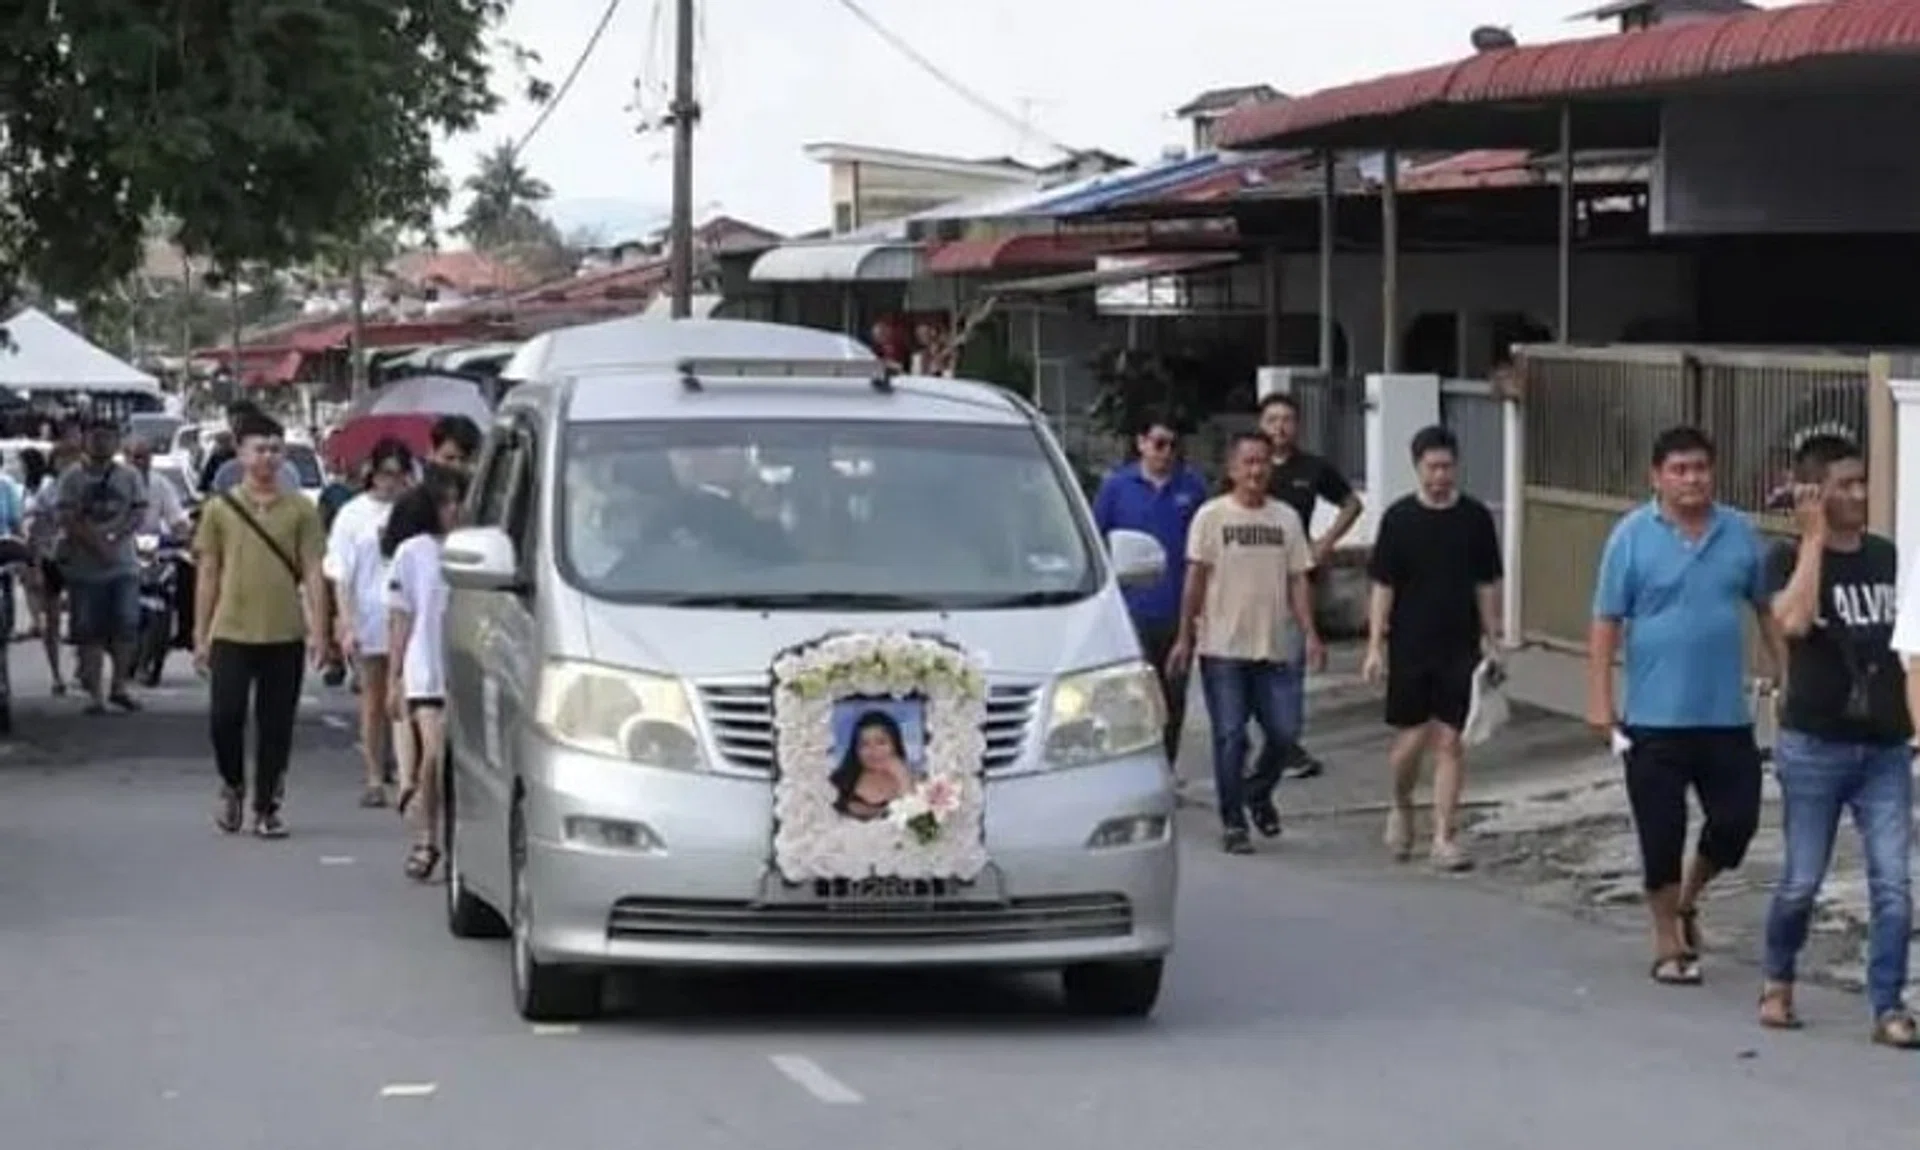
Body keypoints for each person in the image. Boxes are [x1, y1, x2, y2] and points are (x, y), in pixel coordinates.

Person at [1587, 425, 1780, 985]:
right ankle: (1667, 941)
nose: (1692, 479)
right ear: (1657, 476)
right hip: (1653, 720)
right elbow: (1605, 623)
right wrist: (1600, 701)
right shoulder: (1630, 537)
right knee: (1660, 833)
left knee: (1737, 822)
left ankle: (1690, 897)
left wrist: (1785, 675)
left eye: (1700, 468)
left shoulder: (1740, 534)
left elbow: (1768, 611)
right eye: (1679, 470)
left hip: (1725, 717)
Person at [1765, 435, 1916, 1045]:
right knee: (1803, 879)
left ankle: (1888, 1004)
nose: (1858, 495)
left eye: (1862, 482)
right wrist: (1813, 540)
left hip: (1884, 745)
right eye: (1844, 485)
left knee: (1894, 884)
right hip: (1815, 743)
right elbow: (1794, 622)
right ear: (1815, 491)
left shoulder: (1887, 556)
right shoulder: (1787, 557)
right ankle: (1778, 978)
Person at [1168, 431, 1324, 854]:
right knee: (1231, 736)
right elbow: (1195, 580)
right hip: (1223, 647)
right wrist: (1185, 635)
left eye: (1263, 462)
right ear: (1233, 469)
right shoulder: (1211, 517)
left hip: (1274, 646)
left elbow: (1298, 580)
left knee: (1283, 733)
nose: (1256, 470)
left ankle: (1257, 792)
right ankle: (1233, 821)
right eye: (1248, 462)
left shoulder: (1286, 519)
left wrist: (1310, 632)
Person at [1362, 425, 1503, 873]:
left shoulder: (1475, 518)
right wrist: (1374, 645)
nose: (1441, 475)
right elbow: (1382, 585)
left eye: (1447, 466)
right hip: (1410, 643)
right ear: (1417, 467)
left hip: (1460, 644)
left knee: (1450, 741)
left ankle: (1444, 835)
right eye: (1432, 467)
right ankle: (1402, 802)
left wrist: (1493, 638)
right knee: (1410, 742)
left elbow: (1486, 582)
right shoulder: (1399, 519)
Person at [193, 411, 328, 838]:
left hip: (284, 632)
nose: (267, 458)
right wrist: (200, 634)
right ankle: (232, 783)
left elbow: (313, 571)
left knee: (276, 725)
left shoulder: (301, 510)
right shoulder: (220, 509)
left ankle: (267, 805)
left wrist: (320, 631)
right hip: (231, 630)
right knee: (224, 717)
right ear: (241, 453)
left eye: (275, 449)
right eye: (259, 449)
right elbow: (208, 574)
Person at [1090, 411, 1209, 772]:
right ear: (1141, 444)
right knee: (1132, 699)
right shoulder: (1117, 487)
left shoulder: (1192, 487)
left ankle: (1165, 770)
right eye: (1158, 444)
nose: (1165, 453)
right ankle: (1130, 771)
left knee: (1173, 699)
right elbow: (1097, 543)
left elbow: (1202, 553)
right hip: (1130, 613)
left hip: (1177, 613)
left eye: (1172, 446)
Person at [1258, 392, 1365, 779]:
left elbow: (1352, 504)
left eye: (1286, 419)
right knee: (1255, 663)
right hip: (1252, 578)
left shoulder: (1312, 467)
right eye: (1272, 419)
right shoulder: (1250, 466)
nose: (1279, 427)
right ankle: (1267, 739)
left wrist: (1325, 542)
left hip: (1296, 577)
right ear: (1261, 424)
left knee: (1290, 663)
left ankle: (1287, 745)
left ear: (1297, 425)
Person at [384, 466, 466, 879]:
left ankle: (443, 830)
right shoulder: (412, 552)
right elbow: (401, 618)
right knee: (434, 751)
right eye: (446, 502)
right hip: (426, 667)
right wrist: (394, 677)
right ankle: (426, 838)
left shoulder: (472, 549)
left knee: (452, 760)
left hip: (464, 668)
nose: (454, 510)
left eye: (458, 501)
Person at [330, 439, 415, 808]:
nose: (390, 483)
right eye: (385, 474)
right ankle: (374, 776)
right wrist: (345, 623)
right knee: (374, 699)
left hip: (409, 617)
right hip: (369, 615)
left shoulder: (415, 512)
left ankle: (407, 770)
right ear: (372, 473)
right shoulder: (352, 514)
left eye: (398, 475)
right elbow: (341, 575)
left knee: (409, 697)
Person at [55, 417, 148, 713]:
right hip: (85, 569)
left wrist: (116, 538)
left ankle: (119, 686)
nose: (102, 442)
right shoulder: (72, 478)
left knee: (126, 625)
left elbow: (138, 512)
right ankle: (95, 694)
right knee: (88, 630)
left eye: (108, 437)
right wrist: (97, 545)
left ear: (117, 441)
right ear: (85, 440)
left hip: (124, 565)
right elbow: (68, 519)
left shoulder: (129, 476)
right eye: (95, 436)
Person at [24, 443, 77, 693]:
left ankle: (84, 665)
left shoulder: (85, 488)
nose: (66, 465)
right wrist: (34, 566)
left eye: (71, 459)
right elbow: (33, 530)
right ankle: (57, 675)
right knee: (51, 621)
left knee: (86, 618)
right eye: (62, 460)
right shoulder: (47, 492)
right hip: (51, 559)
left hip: (81, 560)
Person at [830, 709, 915, 820]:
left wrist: (902, 776)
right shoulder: (836, 785)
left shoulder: (919, 784)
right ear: (855, 749)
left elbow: (916, 823)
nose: (873, 751)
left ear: (895, 744)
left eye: (881, 742)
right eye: (865, 744)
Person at [123, 437, 192, 538]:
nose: (136, 461)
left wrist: (183, 533)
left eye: (142, 457)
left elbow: (176, 517)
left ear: (149, 459)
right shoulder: (113, 483)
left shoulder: (160, 484)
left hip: (150, 545)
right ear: (125, 458)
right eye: (134, 457)